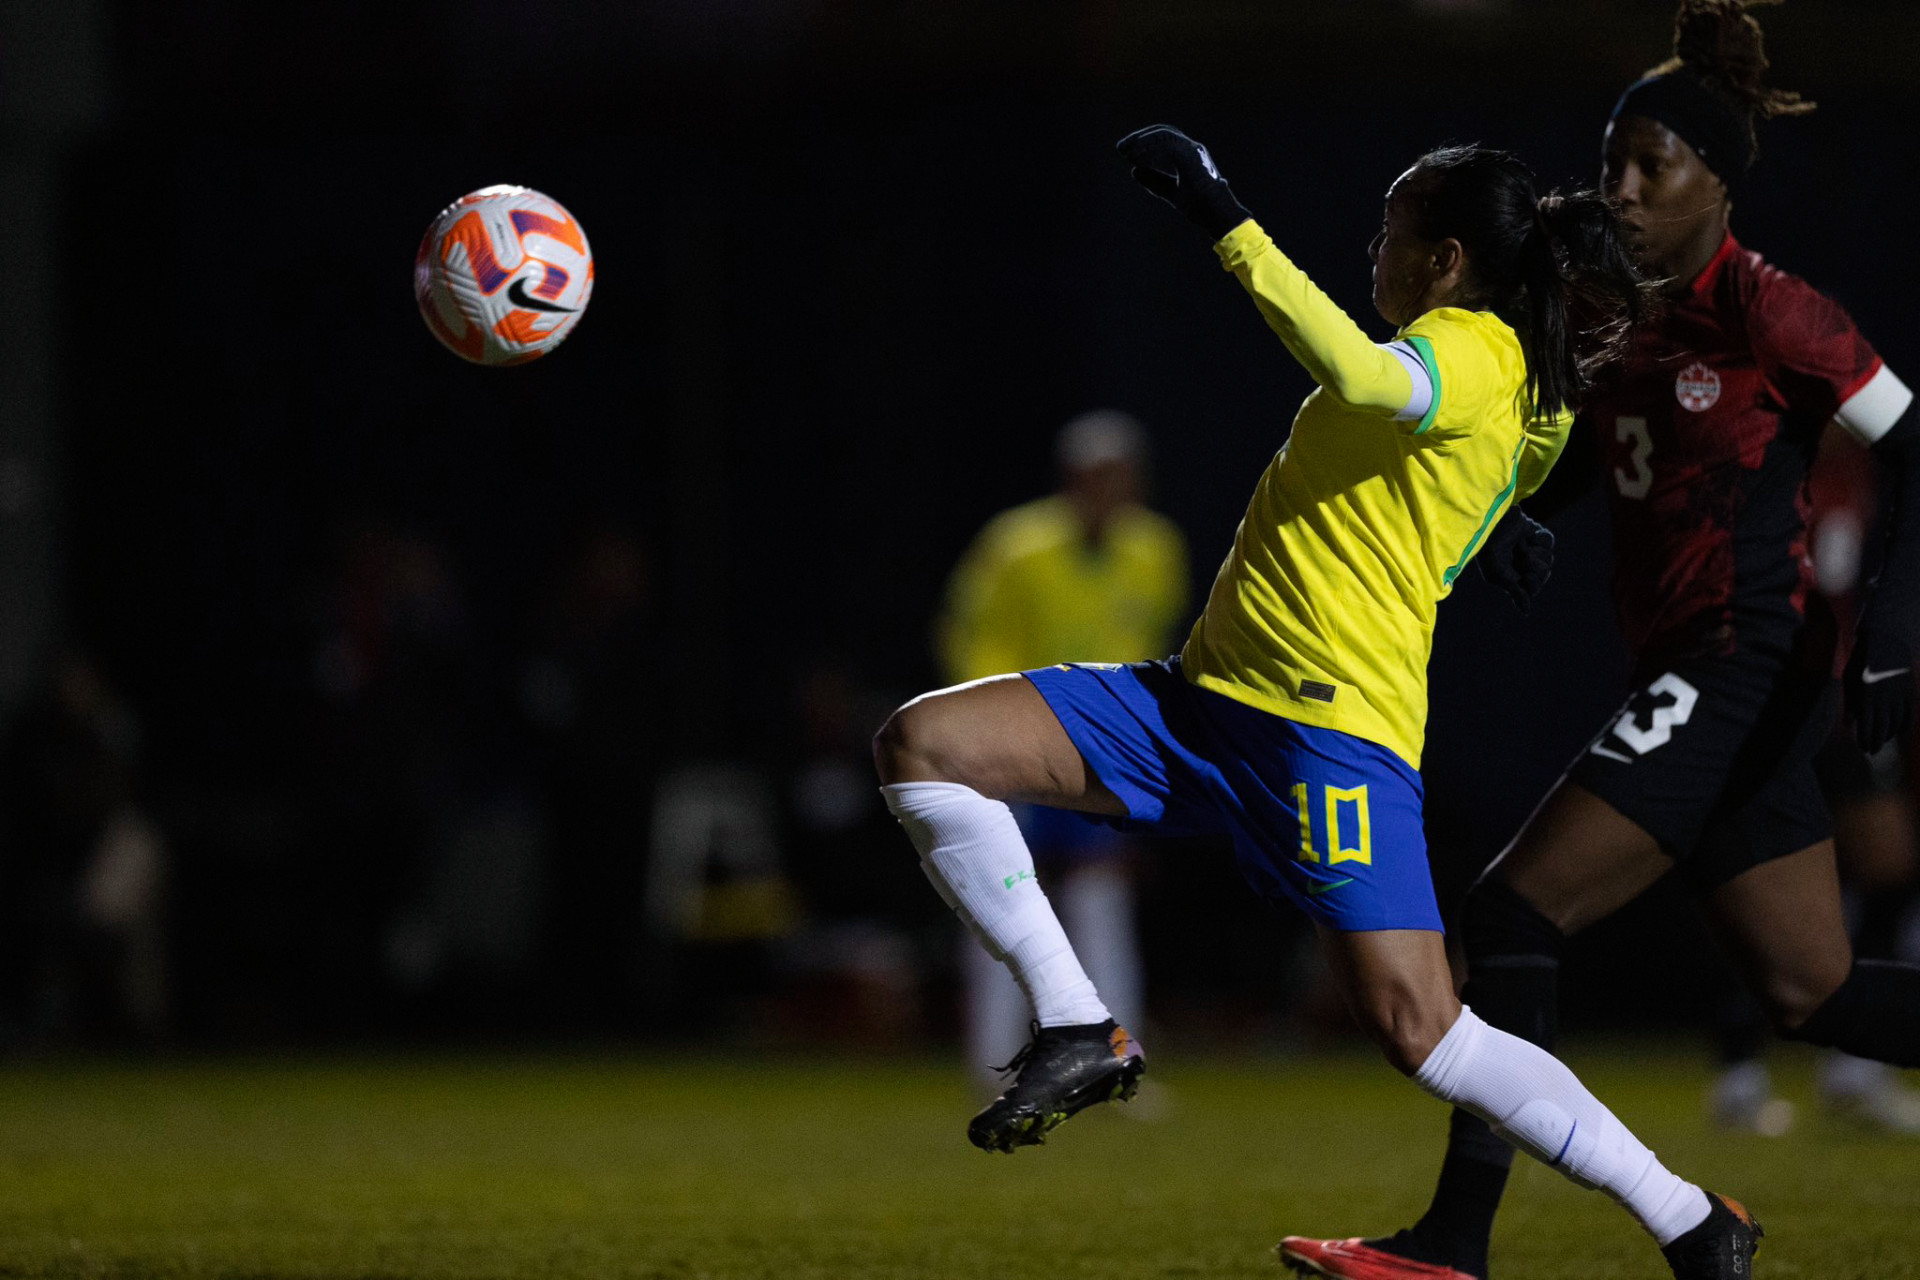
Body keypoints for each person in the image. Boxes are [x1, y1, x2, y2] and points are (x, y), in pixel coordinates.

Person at [874, 123, 1762, 1278]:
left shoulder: (1475, 349)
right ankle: (1079, 1023)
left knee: (1421, 1030)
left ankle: (1693, 1219)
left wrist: (1221, 217)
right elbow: (1498, 466)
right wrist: (1491, 525)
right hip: (1199, 705)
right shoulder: (1510, 380)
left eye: (1391, 237)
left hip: (1325, 734)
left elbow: (1360, 376)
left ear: (1446, 260)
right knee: (927, 740)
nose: (1374, 255)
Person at [1279, 4, 1920, 1278]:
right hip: (1709, 672)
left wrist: (1887, 630)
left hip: (1742, 660)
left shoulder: (1768, 306)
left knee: (1513, 907)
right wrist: (1530, 513)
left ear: (1717, 184)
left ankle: (1455, 1244)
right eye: (1614, 158)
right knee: (1815, 992)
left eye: (1652, 166)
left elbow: (1908, 442)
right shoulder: (1620, 315)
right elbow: (1602, 455)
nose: (1621, 188)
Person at [936, 409, 1188, 1076]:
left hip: (1104, 749)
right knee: (1006, 893)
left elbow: (1153, 647)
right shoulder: (1018, 545)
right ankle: (992, 1062)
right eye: (1098, 474)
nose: (1111, 488)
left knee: (1102, 899)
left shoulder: (1155, 550)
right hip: (1015, 739)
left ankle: (1116, 1058)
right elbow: (972, 635)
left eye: (1122, 475)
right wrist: (992, 727)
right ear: (1072, 477)